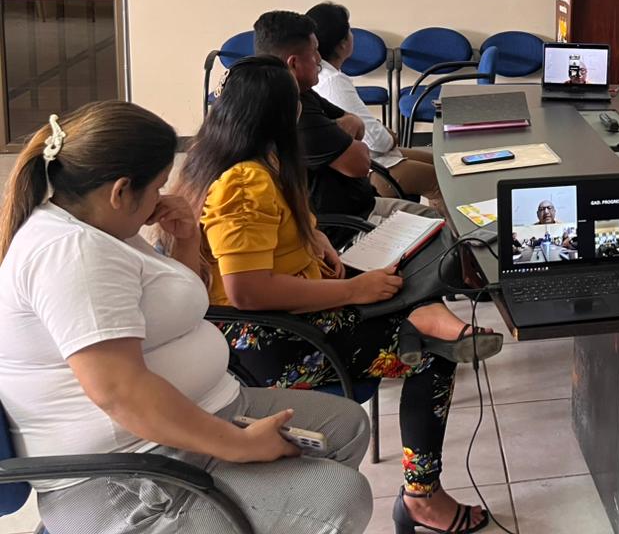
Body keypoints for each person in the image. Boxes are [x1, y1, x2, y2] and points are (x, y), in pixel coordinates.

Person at [0, 103, 373, 534]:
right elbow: (120, 393)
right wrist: (239, 445)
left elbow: (169, 310)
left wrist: (185, 241)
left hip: (192, 417)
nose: (162, 197)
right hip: (126, 474)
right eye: (158, 186)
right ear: (120, 192)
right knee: (340, 498)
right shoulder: (72, 255)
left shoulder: (100, 225)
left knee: (345, 425)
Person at [181, 56, 499, 534]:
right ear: (281, 112)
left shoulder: (241, 158)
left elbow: (277, 232)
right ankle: (422, 498)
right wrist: (351, 288)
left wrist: (315, 239)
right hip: (274, 339)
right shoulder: (244, 180)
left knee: (408, 271)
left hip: (295, 308)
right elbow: (247, 290)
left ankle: (426, 317)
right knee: (433, 355)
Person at [252, 10, 429, 224]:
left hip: (359, 202)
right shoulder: (297, 112)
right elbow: (361, 161)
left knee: (435, 184)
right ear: (293, 63)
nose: (319, 59)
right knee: (436, 222)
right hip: (347, 223)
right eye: (314, 52)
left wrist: (344, 126)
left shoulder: (300, 93)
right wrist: (348, 126)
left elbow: (355, 124)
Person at [307, 2, 443, 210]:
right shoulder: (333, 82)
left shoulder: (323, 75)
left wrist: (383, 134)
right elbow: (378, 142)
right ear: (342, 44)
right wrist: (390, 137)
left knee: (442, 163)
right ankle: (451, 230)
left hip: (370, 158)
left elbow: (366, 129)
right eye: (350, 30)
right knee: (441, 182)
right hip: (370, 169)